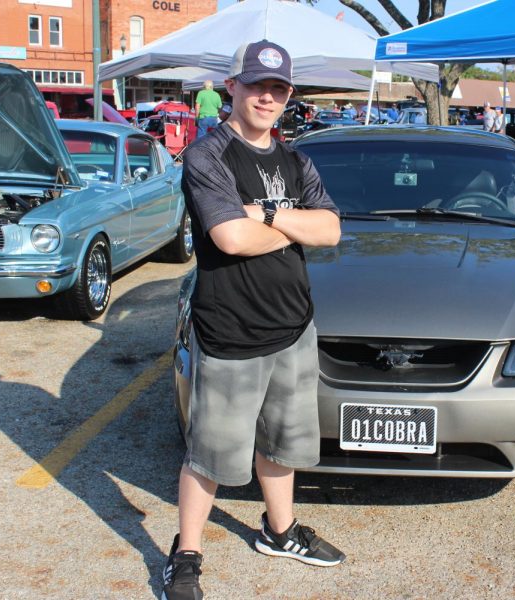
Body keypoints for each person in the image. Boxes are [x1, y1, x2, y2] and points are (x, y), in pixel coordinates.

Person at [163, 39, 344, 600]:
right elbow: (230, 238)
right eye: (257, 85)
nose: (268, 97)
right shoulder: (208, 155)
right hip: (231, 331)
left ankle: (280, 530)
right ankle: (186, 553)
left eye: (279, 89)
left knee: (283, 443)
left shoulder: (297, 160)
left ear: (288, 96)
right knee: (210, 453)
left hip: (293, 327)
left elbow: (333, 231)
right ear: (233, 87)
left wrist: (266, 212)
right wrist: (293, 224)